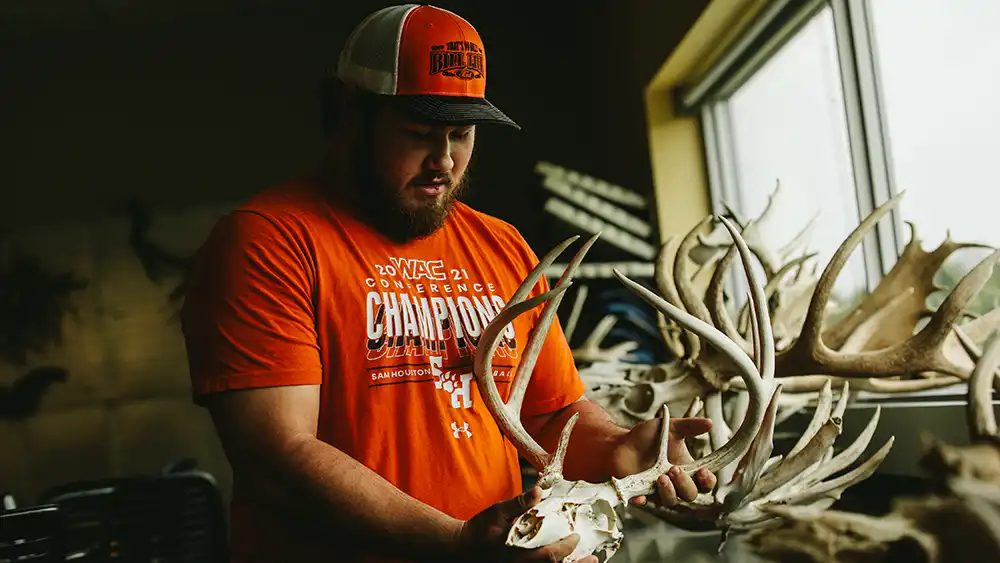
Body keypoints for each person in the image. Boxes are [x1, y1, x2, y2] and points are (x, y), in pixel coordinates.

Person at [180, 4, 717, 563]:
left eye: (461, 134)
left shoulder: (502, 246)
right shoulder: (266, 243)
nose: (443, 160)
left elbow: (550, 413)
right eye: (419, 134)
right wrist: (455, 543)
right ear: (348, 114)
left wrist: (618, 449)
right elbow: (277, 454)